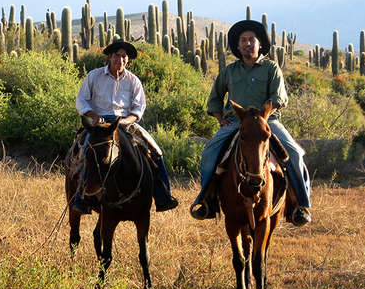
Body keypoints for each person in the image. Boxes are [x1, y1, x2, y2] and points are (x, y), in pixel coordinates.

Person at [190, 20, 312, 226]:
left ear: (260, 44)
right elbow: (215, 98)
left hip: (267, 122)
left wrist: (263, 116)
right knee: (209, 153)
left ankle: (301, 204)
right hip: (236, 123)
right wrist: (221, 119)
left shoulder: (271, 68)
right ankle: (206, 201)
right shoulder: (229, 71)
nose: (247, 44)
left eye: (251, 40)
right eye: (243, 40)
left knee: (294, 154)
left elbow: (279, 98)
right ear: (237, 46)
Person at [72, 40, 179, 213]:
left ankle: (163, 196)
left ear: (127, 60)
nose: (120, 60)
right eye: (116, 56)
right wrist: (94, 116)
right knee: (86, 152)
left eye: (123, 57)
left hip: (125, 123)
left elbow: (138, 109)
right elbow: (81, 100)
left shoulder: (133, 81)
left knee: (155, 151)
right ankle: (83, 197)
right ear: (110, 56)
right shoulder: (94, 76)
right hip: (98, 123)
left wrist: (125, 121)